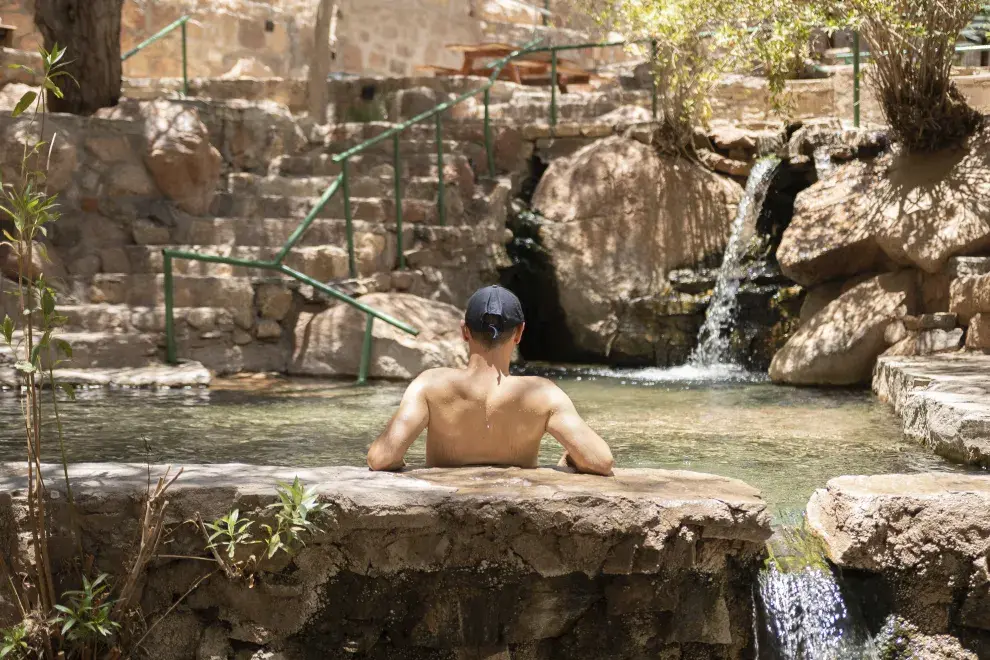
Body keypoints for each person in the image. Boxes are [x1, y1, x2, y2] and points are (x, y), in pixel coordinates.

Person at [367, 285, 614, 476]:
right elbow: (600, 461)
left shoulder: (429, 385)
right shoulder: (543, 394)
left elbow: (382, 458)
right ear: (519, 333)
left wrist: (402, 463)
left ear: (465, 331)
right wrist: (569, 460)